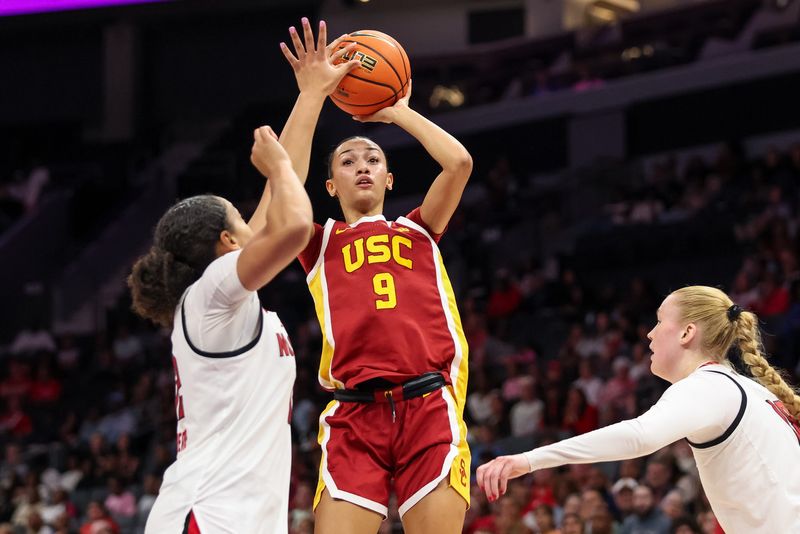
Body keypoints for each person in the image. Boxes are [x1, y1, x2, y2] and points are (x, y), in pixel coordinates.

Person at [278, 18, 473, 534]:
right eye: (347, 159)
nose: (361, 164)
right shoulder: (319, 243)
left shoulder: (419, 230)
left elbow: (458, 164)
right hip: (353, 415)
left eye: (373, 158)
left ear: (389, 178)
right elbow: (283, 183)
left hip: (427, 404)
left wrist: (400, 113)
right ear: (329, 184)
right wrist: (313, 96)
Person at [477, 286, 800, 533]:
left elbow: (639, 436)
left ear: (688, 333)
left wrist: (529, 459)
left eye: (659, 322)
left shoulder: (709, 385)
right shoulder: (747, 388)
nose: (649, 333)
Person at [127, 126, 312, 533]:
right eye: (244, 220)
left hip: (228, 512)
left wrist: (313, 94)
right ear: (228, 241)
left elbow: (283, 192)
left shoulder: (213, 298)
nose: (255, 224)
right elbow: (295, 228)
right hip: (210, 512)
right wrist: (278, 165)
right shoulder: (211, 291)